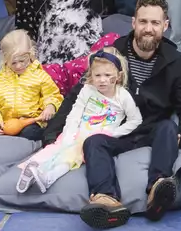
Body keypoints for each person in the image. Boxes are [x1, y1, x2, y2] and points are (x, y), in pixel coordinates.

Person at [70, 0, 181, 230]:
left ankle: (157, 189)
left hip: (153, 129)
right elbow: (79, 93)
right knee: (93, 142)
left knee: (169, 128)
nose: (148, 29)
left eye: (155, 23)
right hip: (116, 128)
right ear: (133, 22)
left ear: (165, 26)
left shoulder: (175, 60)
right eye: (143, 22)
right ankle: (105, 199)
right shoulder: (113, 53)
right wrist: (52, 136)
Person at [15, 48, 140, 194]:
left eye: (107, 75)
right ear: (91, 75)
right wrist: (69, 132)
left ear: (117, 76)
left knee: (70, 157)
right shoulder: (87, 90)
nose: (102, 79)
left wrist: (114, 133)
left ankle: (47, 177)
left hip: (96, 137)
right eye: (98, 75)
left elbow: (135, 120)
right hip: (78, 130)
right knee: (56, 148)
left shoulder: (123, 96)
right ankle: (33, 167)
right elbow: (74, 113)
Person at [0, 30, 63, 141]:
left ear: (31, 53)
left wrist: (50, 106)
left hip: (31, 122)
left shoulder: (40, 75)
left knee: (30, 134)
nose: (18, 66)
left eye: (23, 61)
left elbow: (52, 95)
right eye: (13, 63)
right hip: (6, 124)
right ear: (4, 59)